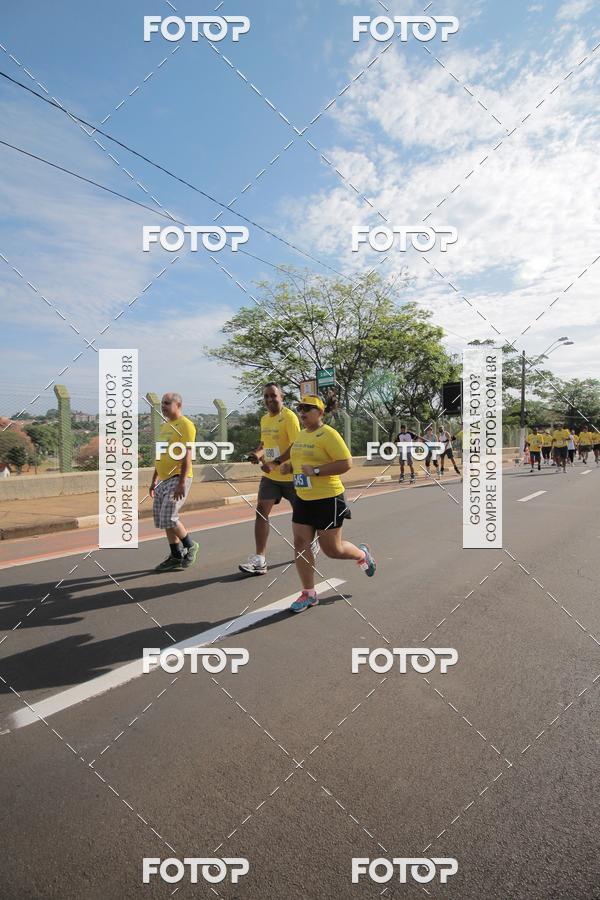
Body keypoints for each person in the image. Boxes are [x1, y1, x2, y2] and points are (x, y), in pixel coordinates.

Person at [277, 395, 376, 613]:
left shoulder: (329, 434)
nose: (302, 412)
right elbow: (301, 460)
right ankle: (309, 594)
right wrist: (289, 467)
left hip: (328, 499)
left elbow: (346, 463)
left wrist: (317, 471)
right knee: (301, 545)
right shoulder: (302, 434)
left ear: (320, 413)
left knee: (332, 549)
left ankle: (362, 555)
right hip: (303, 498)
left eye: (309, 409)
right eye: (301, 408)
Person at [239, 383, 300, 575]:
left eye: (273, 396)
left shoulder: (289, 417)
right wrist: (257, 454)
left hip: (291, 476)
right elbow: (265, 443)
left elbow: (296, 445)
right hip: (270, 478)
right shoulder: (265, 419)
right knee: (261, 512)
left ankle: (308, 544)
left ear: (281, 397)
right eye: (266, 396)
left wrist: (275, 463)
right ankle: (260, 560)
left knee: (302, 516)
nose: (269, 400)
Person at [150, 393, 200, 571]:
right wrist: (154, 479)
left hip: (178, 477)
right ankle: (176, 555)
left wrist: (181, 482)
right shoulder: (166, 426)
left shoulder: (185, 425)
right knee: (163, 519)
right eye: (162, 403)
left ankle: (190, 545)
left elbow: (187, 454)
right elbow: (160, 454)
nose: (163, 406)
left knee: (169, 516)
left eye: (167, 403)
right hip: (163, 479)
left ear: (178, 404)